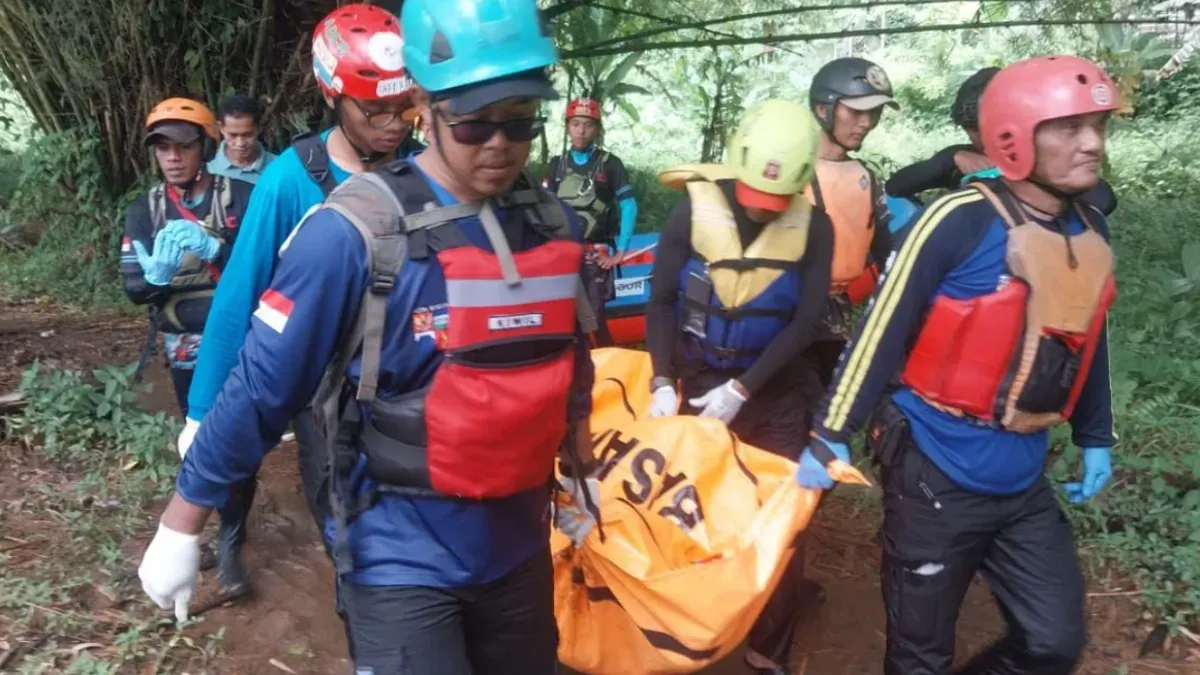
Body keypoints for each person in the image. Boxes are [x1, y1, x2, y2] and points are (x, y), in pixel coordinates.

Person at [137, 1, 600, 673]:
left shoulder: (553, 227)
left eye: (520, 121)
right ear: (424, 102)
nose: (498, 144)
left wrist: (582, 472)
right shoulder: (351, 233)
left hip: (518, 549)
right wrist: (182, 520)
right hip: (399, 555)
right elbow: (265, 384)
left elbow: (570, 363)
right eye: (473, 122)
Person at [796, 54, 1119, 674]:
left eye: (1099, 127)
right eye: (1072, 128)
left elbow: (1087, 336)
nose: (1092, 144)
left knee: (1053, 642)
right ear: (1014, 136)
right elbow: (881, 328)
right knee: (921, 655)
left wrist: (1094, 434)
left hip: (1023, 472)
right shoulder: (957, 219)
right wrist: (830, 433)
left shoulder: (1091, 229)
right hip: (935, 466)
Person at [180, 3, 423, 535]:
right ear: (333, 97)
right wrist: (203, 409)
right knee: (348, 529)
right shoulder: (290, 181)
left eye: (403, 108)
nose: (392, 125)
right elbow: (240, 294)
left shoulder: (424, 171)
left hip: (414, 390)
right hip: (329, 397)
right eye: (373, 111)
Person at [645, 99, 833, 675]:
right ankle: (687, 614)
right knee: (687, 505)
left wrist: (744, 391)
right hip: (697, 381)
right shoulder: (692, 213)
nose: (764, 213)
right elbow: (662, 300)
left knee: (780, 518)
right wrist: (660, 379)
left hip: (773, 387)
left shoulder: (814, 226)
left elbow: (806, 322)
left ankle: (768, 644)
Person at [119, 97, 257, 597]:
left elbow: (270, 267)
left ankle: (231, 539)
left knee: (238, 436)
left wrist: (217, 248)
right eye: (162, 148)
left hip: (240, 341)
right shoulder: (145, 210)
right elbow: (134, 287)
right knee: (197, 440)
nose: (173, 156)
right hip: (183, 344)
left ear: (205, 145)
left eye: (183, 145)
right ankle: (198, 529)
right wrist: (158, 274)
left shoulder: (240, 197)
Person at [886, 67, 1118, 225]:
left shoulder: (1042, 160)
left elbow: (1104, 200)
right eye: (973, 132)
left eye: (987, 129)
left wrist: (1013, 174)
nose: (982, 141)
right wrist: (952, 159)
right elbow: (895, 187)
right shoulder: (962, 157)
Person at [803, 57, 895, 386]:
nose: (866, 123)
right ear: (823, 109)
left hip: (835, 317)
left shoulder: (867, 177)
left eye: (874, 113)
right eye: (856, 112)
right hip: (785, 313)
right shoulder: (788, 170)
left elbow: (887, 251)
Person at [545, 97, 638, 346]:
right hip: (563, 256)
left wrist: (620, 251)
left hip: (595, 255)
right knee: (565, 318)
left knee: (595, 318)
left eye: (587, 124)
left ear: (596, 129)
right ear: (568, 126)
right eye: (575, 124)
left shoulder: (610, 164)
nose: (581, 130)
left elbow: (628, 204)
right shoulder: (557, 165)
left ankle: (607, 369)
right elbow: (546, 209)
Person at [207, 93, 276, 184]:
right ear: (221, 128)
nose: (240, 143)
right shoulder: (207, 173)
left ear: (258, 128)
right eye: (233, 135)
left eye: (247, 135)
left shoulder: (280, 168)